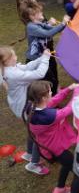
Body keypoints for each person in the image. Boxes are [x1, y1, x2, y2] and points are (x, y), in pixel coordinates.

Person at [25, 81, 79, 193]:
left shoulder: (32, 107)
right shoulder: (49, 116)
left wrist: (68, 90)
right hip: (56, 148)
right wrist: (78, 91)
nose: (51, 93)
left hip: (49, 148)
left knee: (67, 163)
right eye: (49, 91)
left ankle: (60, 188)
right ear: (43, 97)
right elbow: (69, 108)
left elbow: (53, 101)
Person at [0, 46, 50, 175]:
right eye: (14, 56)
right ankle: (33, 164)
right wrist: (45, 59)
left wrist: (41, 58)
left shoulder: (7, 69)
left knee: (31, 130)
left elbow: (27, 67)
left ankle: (29, 153)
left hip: (20, 103)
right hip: (24, 106)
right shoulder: (13, 74)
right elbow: (39, 74)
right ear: (7, 61)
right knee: (38, 135)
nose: (17, 57)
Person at [24, 5, 69, 95]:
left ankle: (55, 97)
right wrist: (63, 23)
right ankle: (49, 101)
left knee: (53, 77)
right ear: (32, 16)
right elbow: (48, 33)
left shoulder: (40, 24)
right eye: (39, 12)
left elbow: (53, 29)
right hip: (35, 60)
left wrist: (65, 24)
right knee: (48, 81)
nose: (42, 13)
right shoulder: (31, 27)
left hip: (45, 56)